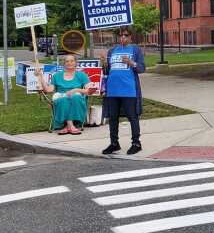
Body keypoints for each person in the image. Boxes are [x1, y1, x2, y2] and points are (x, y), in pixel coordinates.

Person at [102, 27, 146, 155]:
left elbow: (142, 68)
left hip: (129, 90)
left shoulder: (135, 49)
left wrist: (132, 63)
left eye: (126, 35)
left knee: (133, 117)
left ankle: (136, 143)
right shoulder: (112, 50)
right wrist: (104, 63)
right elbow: (107, 71)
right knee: (113, 118)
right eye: (120, 35)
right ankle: (114, 143)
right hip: (112, 90)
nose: (123, 37)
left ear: (131, 37)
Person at [35, 54, 93, 135]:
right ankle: (71, 126)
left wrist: (75, 90)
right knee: (63, 99)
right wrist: (41, 77)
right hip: (61, 97)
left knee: (75, 97)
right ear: (64, 63)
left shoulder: (82, 75)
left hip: (77, 96)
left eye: (72, 61)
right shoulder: (56, 76)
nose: (69, 63)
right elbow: (48, 90)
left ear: (76, 62)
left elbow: (89, 90)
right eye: (67, 61)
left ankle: (67, 126)